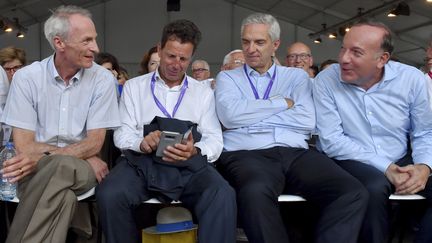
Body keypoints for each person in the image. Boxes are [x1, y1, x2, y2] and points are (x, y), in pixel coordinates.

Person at [215, 12, 367, 243]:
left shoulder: (296, 76)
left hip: (295, 152)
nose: (251, 48)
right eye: (246, 42)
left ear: (275, 45)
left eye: (259, 42)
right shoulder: (229, 78)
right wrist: (281, 103)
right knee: (255, 192)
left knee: (352, 192)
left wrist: (250, 113)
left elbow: (306, 119)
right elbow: (229, 117)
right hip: (246, 153)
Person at [97, 19, 236, 243]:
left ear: (191, 57)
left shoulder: (202, 92)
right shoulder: (134, 87)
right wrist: (141, 143)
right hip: (142, 163)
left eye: (183, 59)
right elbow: (122, 134)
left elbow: (214, 139)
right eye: (171, 56)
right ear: (159, 50)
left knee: (223, 195)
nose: (176, 64)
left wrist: (195, 150)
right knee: (110, 194)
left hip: (189, 165)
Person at [0, 5, 120, 243]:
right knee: (62, 197)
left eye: (94, 40)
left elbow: (95, 143)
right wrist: (81, 154)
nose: (95, 48)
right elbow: (23, 146)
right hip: (39, 169)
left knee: (62, 167)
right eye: (87, 41)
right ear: (59, 43)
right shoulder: (27, 78)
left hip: (75, 169)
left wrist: (45, 154)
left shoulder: (103, 79)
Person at [313, 20, 432, 243]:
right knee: (372, 188)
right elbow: (332, 140)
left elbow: (424, 132)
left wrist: (424, 167)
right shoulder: (326, 81)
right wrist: (386, 167)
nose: (343, 59)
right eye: (343, 48)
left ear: (382, 59)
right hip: (351, 157)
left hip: (400, 155)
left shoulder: (411, 79)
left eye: (356, 52)